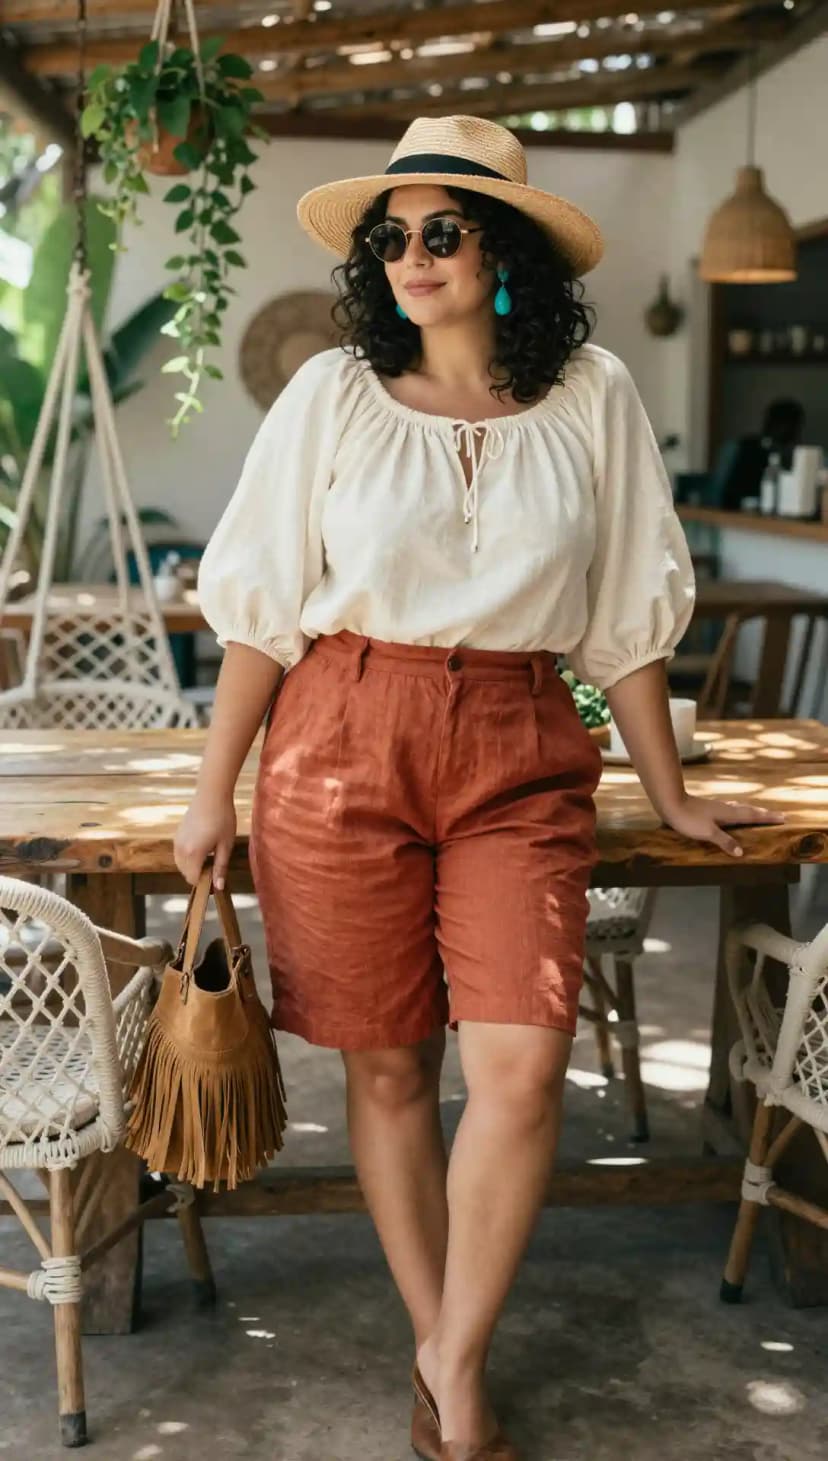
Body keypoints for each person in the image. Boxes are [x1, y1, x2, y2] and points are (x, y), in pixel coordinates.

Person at [174, 115, 782, 1461]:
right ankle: (451, 1369)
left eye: (440, 229)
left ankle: (449, 1355)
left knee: (520, 1067)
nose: (410, 256)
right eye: (390, 237)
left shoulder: (597, 395)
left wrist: (670, 786)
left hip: (520, 746)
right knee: (391, 1072)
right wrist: (213, 791)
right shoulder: (332, 392)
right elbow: (266, 614)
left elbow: (624, 618)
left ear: (503, 247)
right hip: (341, 734)